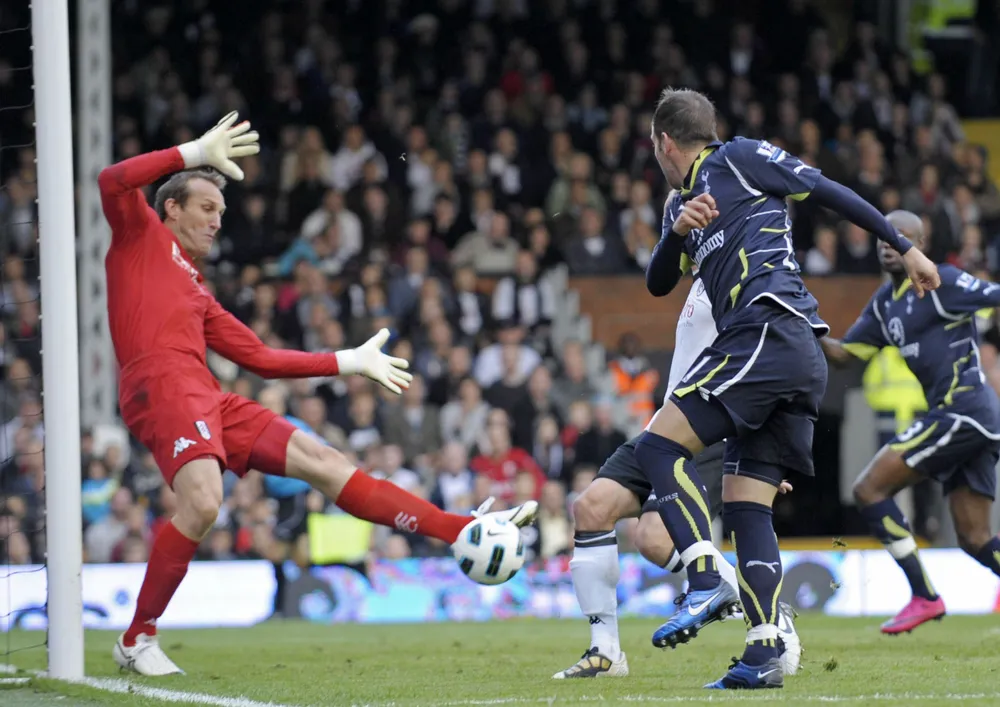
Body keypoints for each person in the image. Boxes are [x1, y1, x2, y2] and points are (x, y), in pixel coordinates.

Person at [101, 113, 537, 676]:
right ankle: (138, 636)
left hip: (204, 392)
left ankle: (459, 529)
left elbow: (258, 357)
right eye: (207, 209)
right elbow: (112, 179)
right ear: (172, 208)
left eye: (221, 213)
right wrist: (192, 151)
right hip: (160, 383)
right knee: (205, 502)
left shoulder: (198, 290)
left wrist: (347, 361)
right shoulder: (139, 236)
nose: (216, 222)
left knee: (325, 461)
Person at [639, 89, 939, 690]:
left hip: (768, 329)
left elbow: (830, 192)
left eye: (655, 149)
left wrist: (903, 245)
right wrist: (676, 232)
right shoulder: (683, 202)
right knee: (747, 501)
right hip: (788, 352)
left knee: (655, 447)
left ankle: (703, 577)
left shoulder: (741, 158)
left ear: (664, 143)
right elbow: (656, 283)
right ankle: (764, 651)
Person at [552, 199, 801, 681]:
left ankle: (761, 608)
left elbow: (760, 366)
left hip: (706, 433)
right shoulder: (701, 283)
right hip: (664, 427)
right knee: (589, 509)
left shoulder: (744, 281)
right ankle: (605, 655)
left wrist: (765, 449)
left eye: (680, 224)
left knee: (651, 536)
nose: (677, 232)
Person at [821, 210, 1000, 635]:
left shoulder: (943, 283)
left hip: (965, 410)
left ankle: (924, 595)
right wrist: (805, 326)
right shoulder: (884, 305)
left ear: (921, 244)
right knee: (974, 540)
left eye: (902, 236)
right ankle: (926, 596)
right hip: (964, 420)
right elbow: (848, 355)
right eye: (884, 234)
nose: (889, 241)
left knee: (868, 488)